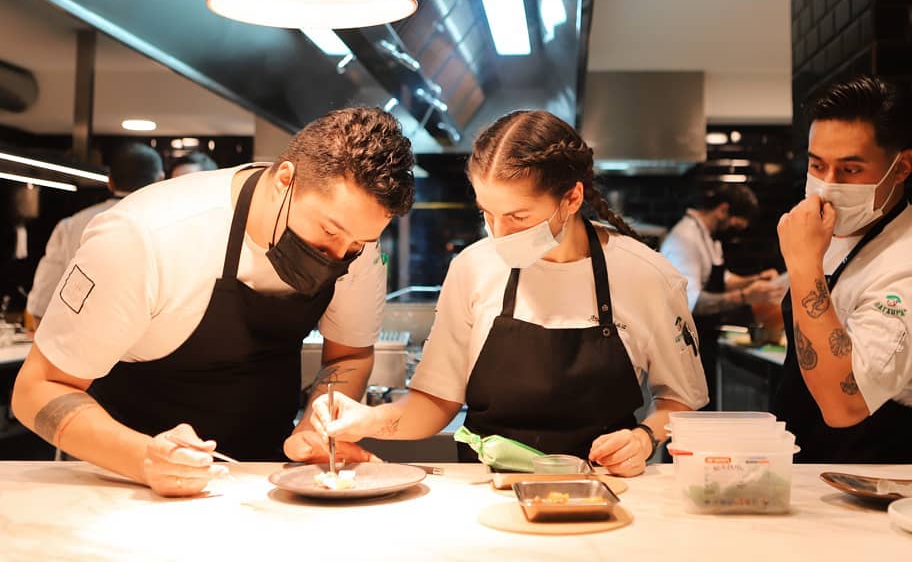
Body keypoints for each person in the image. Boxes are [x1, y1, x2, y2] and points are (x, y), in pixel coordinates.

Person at [12, 108, 414, 496]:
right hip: (121, 479)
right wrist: (144, 459)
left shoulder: (357, 247)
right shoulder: (144, 236)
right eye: (328, 231)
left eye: (356, 245)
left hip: (262, 477)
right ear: (285, 180)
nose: (339, 256)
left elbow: (349, 357)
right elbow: (36, 390)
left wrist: (315, 428)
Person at [310, 110, 707, 477]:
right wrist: (368, 420)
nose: (499, 233)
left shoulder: (646, 276)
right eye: (487, 213)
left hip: (603, 488)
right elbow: (436, 401)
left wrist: (644, 438)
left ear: (572, 198)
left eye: (518, 217)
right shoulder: (472, 268)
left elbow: (681, 400)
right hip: (487, 490)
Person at [772, 76, 912, 462]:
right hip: (812, 467)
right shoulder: (837, 234)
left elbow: (846, 404)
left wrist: (803, 263)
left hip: (877, 474)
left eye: (850, 170)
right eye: (817, 165)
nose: (827, 186)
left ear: (902, 167)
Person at [660, 184, 786, 409]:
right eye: (735, 224)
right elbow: (691, 302)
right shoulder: (685, 239)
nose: (735, 231)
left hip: (703, 340)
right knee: (690, 413)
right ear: (723, 210)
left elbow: (723, 279)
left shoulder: (708, 236)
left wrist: (756, 279)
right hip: (683, 345)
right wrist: (745, 296)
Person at [25, 143, 165, 329]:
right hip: (155, 341)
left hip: (83, 340)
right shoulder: (170, 226)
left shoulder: (71, 226)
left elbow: (40, 304)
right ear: (160, 180)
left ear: (110, 181)